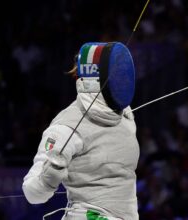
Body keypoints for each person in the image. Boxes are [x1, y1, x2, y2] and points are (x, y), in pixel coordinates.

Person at [22, 42, 139, 220]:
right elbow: (32, 192)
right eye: (118, 73)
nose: (123, 79)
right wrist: (50, 173)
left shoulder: (125, 117)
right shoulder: (66, 126)